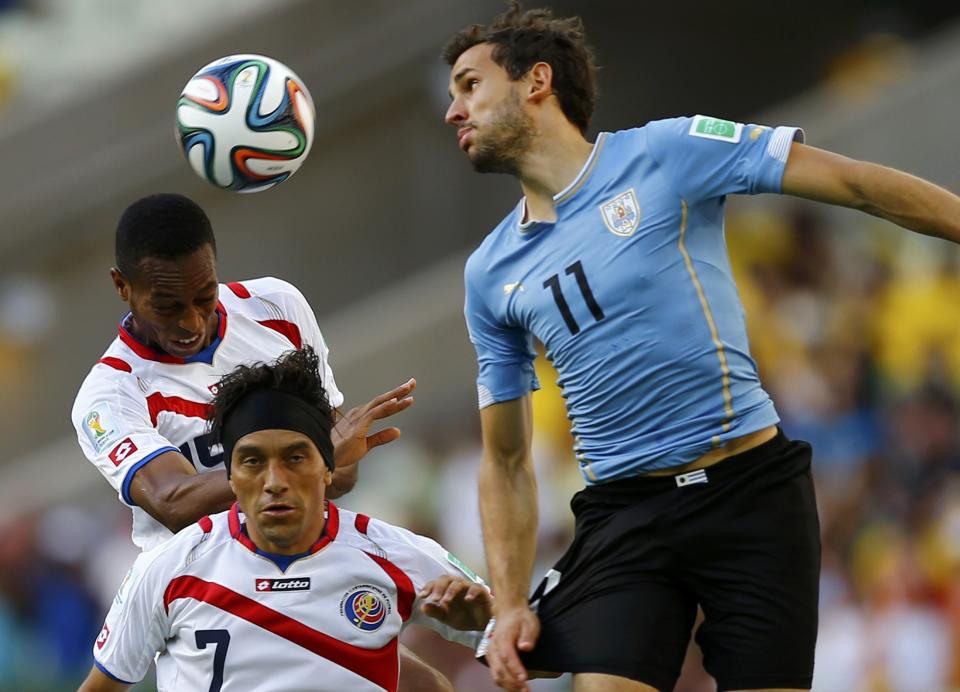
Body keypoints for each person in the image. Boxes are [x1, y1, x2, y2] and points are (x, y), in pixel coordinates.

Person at [441, 4, 960, 692]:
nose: (453, 110)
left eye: (469, 86)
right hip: (626, 515)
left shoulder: (670, 151)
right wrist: (508, 603)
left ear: (536, 82)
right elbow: (505, 459)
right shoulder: (489, 273)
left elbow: (857, 184)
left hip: (752, 494)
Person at [70, 192, 448, 690]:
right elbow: (173, 502)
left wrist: (322, 457)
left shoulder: (278, 307)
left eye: (204, 296)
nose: (191, 322)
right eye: (166, 306)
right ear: (122, 287)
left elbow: (339, 474)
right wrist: (301, 458)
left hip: (318, 563)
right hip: (203, 588)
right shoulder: (110, 393)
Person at [77, 347, 493, 692]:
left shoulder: (398, 555)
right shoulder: (168, 568)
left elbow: (539, 655)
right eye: (252, 461)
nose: (274, 482)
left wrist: (487, 628)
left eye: (295, 458)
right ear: (231, 475)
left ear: (329, 468)